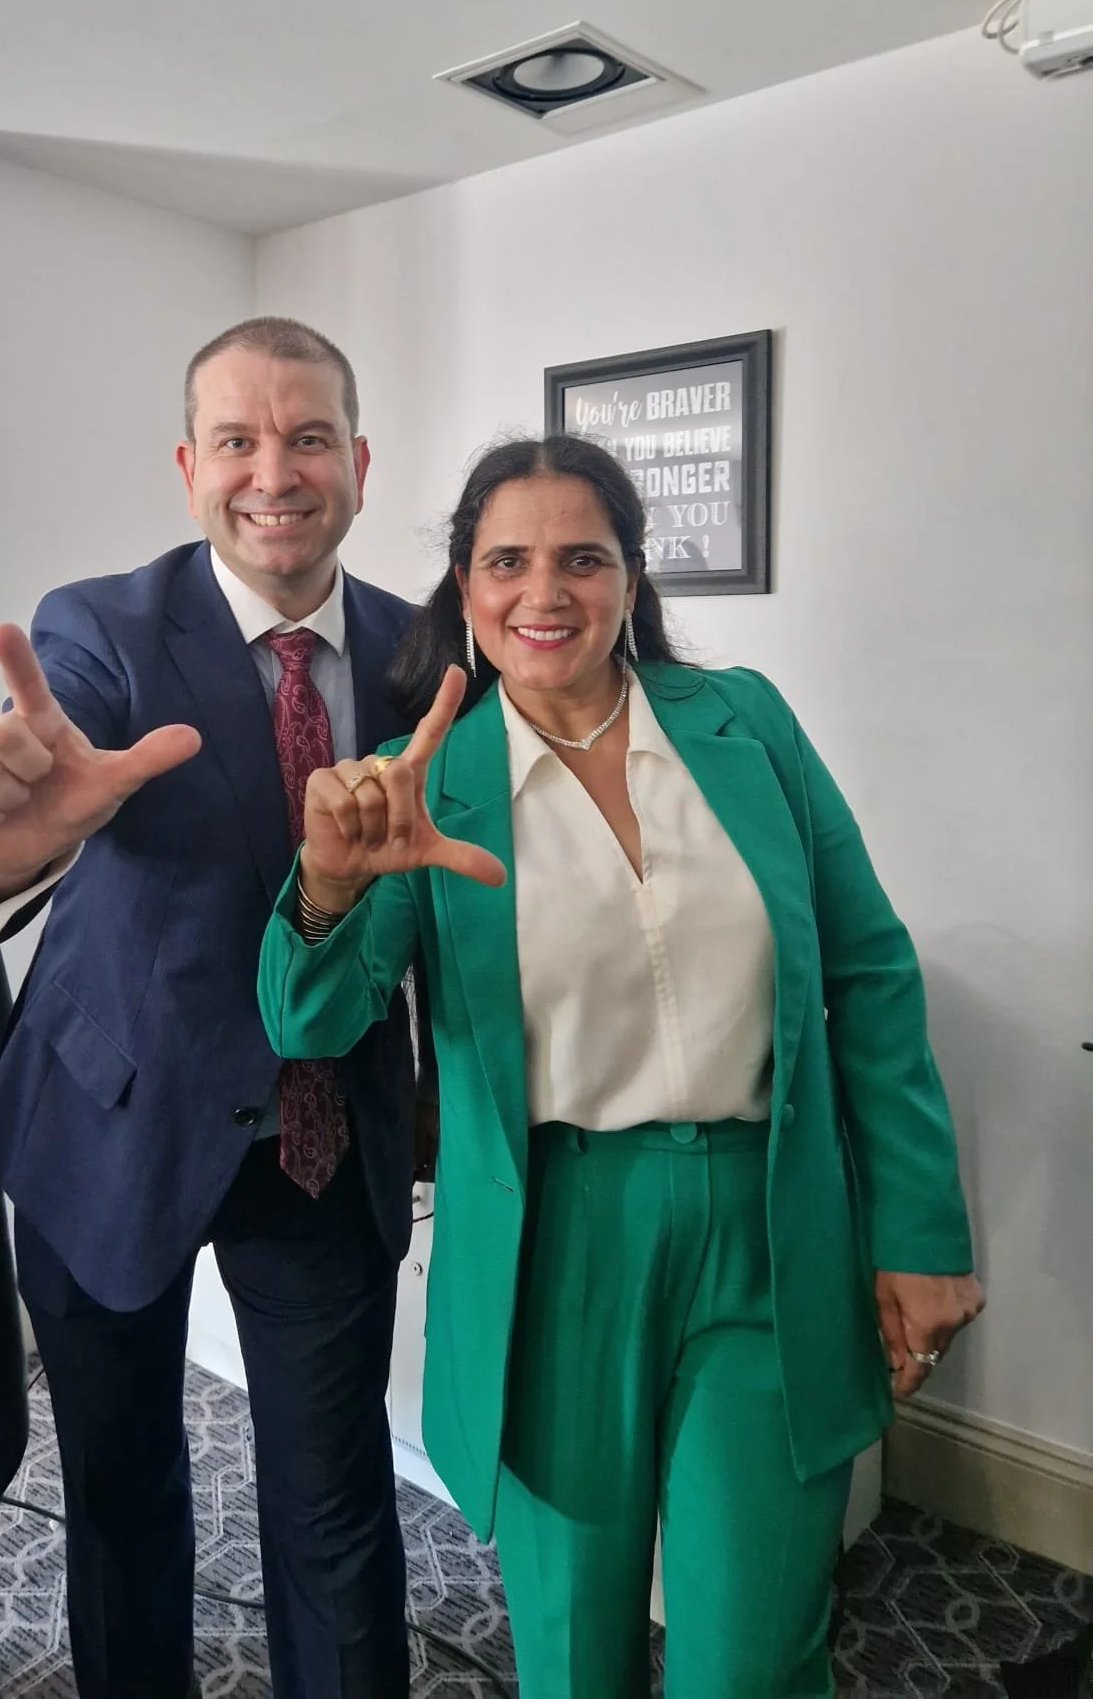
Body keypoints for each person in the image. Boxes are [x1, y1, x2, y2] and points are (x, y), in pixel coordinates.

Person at [259, 432, 985, 1699]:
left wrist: (919, 1227)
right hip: (557, 1239)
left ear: (631, 578)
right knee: (575, 1648)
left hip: (768, 1225)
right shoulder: (432, 780)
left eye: (583, 558)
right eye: (508, 561)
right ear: (467, 587)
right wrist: (327, 880)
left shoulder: (746, 724)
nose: (545, 591)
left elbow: (868, 971)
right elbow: (305, 1020)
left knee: (754, 1653)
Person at [0, 317, 420, 1699]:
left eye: (308, 437)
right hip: (110, 1120)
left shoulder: (416, 649)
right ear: (191, 468)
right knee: (123, 1493)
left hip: (318, 1132)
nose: (275, 472)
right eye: (238, 440)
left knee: (335, 1507)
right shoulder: (101, 628)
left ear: (359, 463)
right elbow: (18, 784)